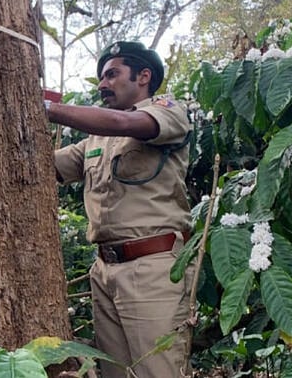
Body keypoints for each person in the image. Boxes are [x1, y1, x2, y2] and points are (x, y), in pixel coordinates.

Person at [46, 41, 193, 377]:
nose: (102, 84)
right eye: (101, 77)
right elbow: (48, 168)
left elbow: (127, 125)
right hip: (105, 269)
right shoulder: (95, 142)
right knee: (115, 372)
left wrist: (49, 108)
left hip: (153, 267)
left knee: (159, 370)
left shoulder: (168, 109)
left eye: (112, 74)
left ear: (143, 76)